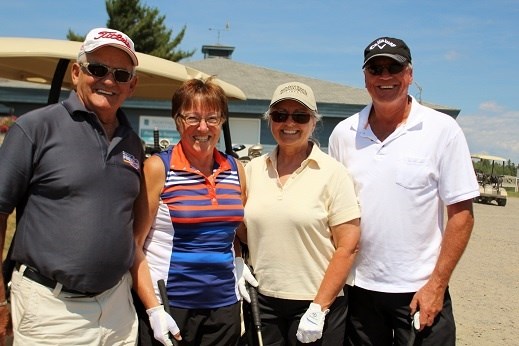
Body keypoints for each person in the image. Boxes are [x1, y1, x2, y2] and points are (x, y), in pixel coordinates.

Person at [328, 37, 480, 345]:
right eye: (376, 69)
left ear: (409, 75)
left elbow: (461, 215)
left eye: (393, 68)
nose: (385, 77)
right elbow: (331, 211)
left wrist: (437, 285)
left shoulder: (442, 130)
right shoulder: (343, 134)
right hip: (360, 290)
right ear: (365, 77)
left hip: (420, 289)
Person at [0, 27, 144, 344]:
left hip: (117, 308)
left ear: (131, 86)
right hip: (51, 310)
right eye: (97, 69)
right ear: (76, 72)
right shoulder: (35, 128)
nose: (109, 81)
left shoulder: (133, 144)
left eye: (121, 74)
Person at [131, 77, 257, 346]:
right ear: (178, 121)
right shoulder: (158, 168)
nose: (203, 127)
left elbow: (229, 228)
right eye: (192, 118)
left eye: (212, 118)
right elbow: (134, 246)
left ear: (222, 121)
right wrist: (153, 309)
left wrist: (237, 260)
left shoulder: (236, 169)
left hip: (224, 305)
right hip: (171, 305)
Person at [239, 81, 361, 345]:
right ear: (270, 120)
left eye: (300, 116)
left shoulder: (333, 173)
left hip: (317, 303)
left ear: (313, 122)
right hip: (263, 300)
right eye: (280, 115)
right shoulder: (252, 170)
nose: (289, 123)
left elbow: (348, 246)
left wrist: (319, 307)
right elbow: (238, 228)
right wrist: (237, 259)